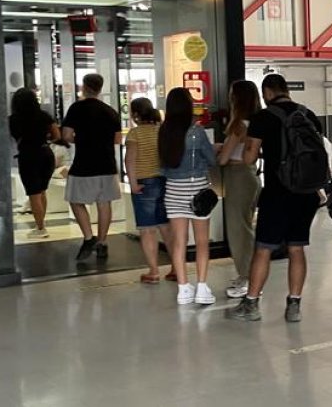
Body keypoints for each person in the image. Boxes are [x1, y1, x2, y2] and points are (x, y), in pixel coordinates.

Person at [227, 74, 325, 323]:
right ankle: (294, 305)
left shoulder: (264, 117)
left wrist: (261, 151)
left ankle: (251, 304)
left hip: (278, 192)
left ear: (267, 92)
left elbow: (248, 158)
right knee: (296, 248)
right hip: (306, 192)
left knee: (263, 249)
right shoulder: (308, 114)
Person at [158, 88, 218, 305]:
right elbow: (211, 160)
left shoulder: (164, 131)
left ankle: (183, 288)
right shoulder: (196, 132)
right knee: (202, 242)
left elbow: (163, 165)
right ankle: (202, 287)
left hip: (173, 190)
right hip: (197, 190)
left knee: (178, 242)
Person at [61, 74, 122, 261]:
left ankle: (88, 237)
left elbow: (66, 135)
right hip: (107, 164)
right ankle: (102, 243)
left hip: (83, 163)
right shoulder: (111, 111)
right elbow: (118, 139)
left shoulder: (76, 108)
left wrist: (80, 139)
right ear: (100, 88)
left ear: (84, 87)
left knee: (75, 200)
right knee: (104, 204)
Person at [217, 80, 263, 298]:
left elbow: (225, 158)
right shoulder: (255, 122)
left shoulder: (238, 125)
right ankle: (248, 275)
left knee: (239, 231)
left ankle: (247, 277)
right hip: (251, 176)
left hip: (237, 177)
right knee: (245, 228)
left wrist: (218, 150)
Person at [125, 97, 172, 284]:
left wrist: (133, 183)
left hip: (145, 183)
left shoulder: (135, 134)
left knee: (147, 230)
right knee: (167, 228)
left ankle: (153, 271)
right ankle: (176, 267)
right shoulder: (161, 131)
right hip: (164, 181)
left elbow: (130, 160)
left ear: (135, 115)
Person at [8, 88, 59, 239]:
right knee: (42, 191)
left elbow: (12, 137)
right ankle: (41, 224)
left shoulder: (13, 119)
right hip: (46, 154)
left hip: (28, 156)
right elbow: (57, 135)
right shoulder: (44, 116)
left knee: (33, 193)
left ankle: (40, 227)